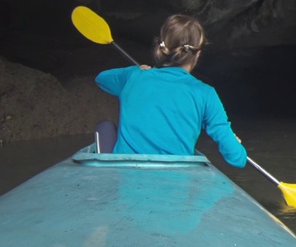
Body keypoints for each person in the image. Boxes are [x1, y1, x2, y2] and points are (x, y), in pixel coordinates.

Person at [95, 14, 247, 168]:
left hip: (126, 178)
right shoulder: (206, 93)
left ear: (162, 49)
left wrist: (136, 70)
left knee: (105, 127)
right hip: (177, 181)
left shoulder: (133, 77)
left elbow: (102, 79)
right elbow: (237, 160)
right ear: (198, 54)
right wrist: (235, 144)